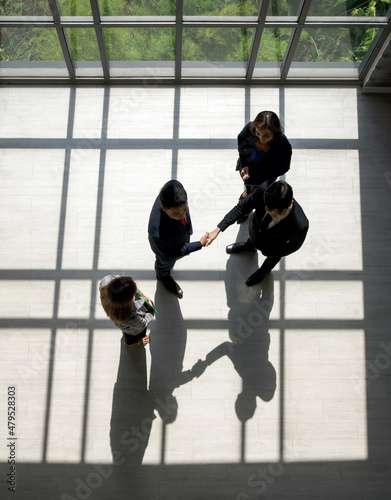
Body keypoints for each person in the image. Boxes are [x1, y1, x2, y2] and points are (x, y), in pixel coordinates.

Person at [206, 180, 309, 286]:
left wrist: (271, 252)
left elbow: (292, 247)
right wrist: (217, 230)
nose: (269, 213)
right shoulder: (264, 190)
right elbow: (241, 208)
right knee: (252, 240)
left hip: (274, 247)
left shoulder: (300, 224)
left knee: (270, 262)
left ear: (289, 204)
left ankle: (263, 272)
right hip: (255, 229)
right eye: (267, 209)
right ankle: (248, 246)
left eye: (275, 214)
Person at [148, 180, 209, 298]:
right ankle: (163, 277)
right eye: (176, 214)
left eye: (184, 210)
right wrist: (199, 244)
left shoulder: (174, 188)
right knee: (163, 264)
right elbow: (173, 252)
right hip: (166, 250)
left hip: (178, 237)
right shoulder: (158, 233)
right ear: (164, 208)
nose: (181, 215)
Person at [236, 111, 292, 222]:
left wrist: (265, 175)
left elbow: (284, 167)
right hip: (249, 168)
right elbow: (241, 141)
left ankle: (246, 202)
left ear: (274, 133)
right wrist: (245, 164)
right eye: (258, 134)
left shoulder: (283, 145)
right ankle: (247, 195)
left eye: (266, 135)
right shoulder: (250, 129)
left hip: (266, 176)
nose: (261, 138)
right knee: (248, 185)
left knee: (257, 194)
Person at [100, 275, 155, 348]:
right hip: (133, 331)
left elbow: (122, 283)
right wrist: (151, 308)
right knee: (131, 338)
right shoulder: (130, 316)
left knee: (126, 332)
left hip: (123, 325)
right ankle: (132, 343)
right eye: (132, 295)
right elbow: (142, 324)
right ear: (126, 302)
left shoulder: (106, 282)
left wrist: (137, 291)